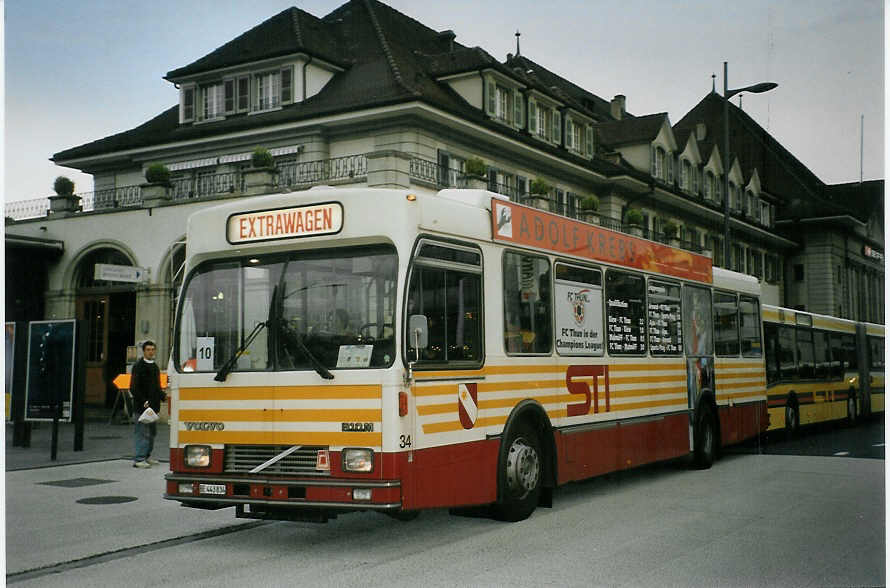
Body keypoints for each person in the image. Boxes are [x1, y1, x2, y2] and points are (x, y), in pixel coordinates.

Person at [131, 340, 164, 468]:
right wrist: (143, 400)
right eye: (148, 350)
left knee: (152, 433)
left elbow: (156, 386)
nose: (151, 352)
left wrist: (163, 397)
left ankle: (146, 456)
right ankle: (139, 458)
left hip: (153, 406)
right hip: (142, 406)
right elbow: (134, 387)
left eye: (152, 349)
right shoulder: (139, 366)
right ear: (144, 351)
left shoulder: (154, 367)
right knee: (142, 432)